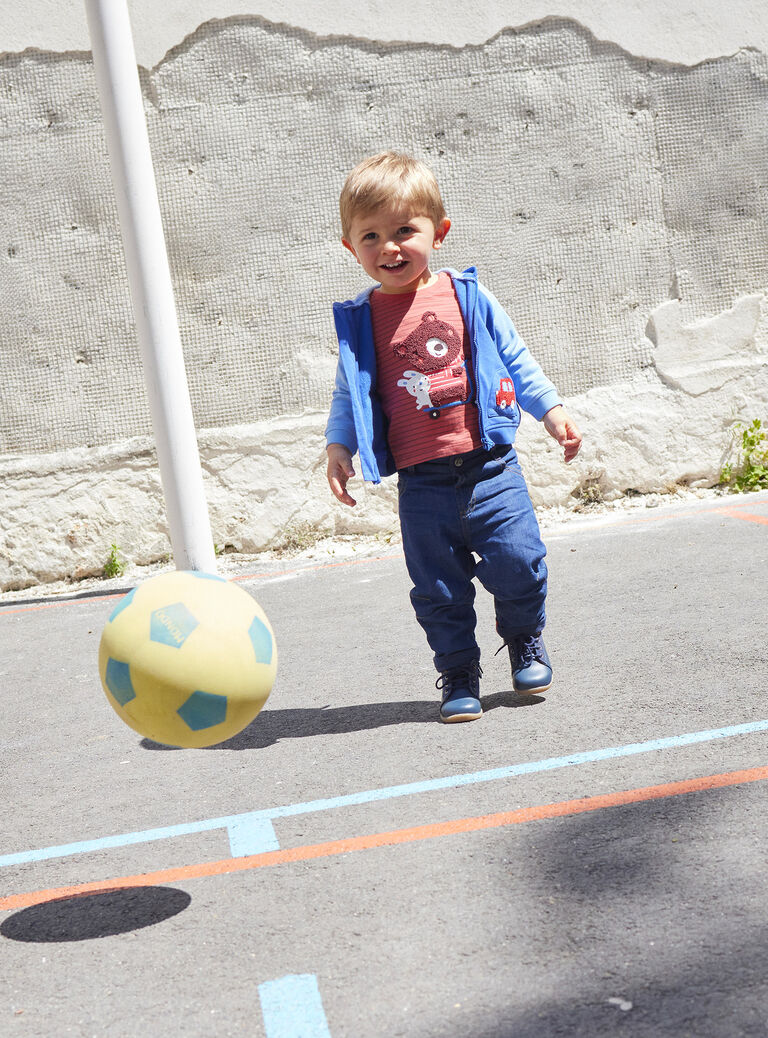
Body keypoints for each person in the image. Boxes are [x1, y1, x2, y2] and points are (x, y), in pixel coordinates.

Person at [324, 151, 582, 723]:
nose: (389, 247)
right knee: (438, 589)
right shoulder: (362, 319)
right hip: (422, 484)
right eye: (371, 236)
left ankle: (523, 638)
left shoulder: (467, 296)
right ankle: (459, 671)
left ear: (438, 232)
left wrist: (551, 410)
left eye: (404, 231)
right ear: (350, 247)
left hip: (491, 467)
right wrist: (339, 445)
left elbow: (514, 357)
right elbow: (350, 393)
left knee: (519, 560)